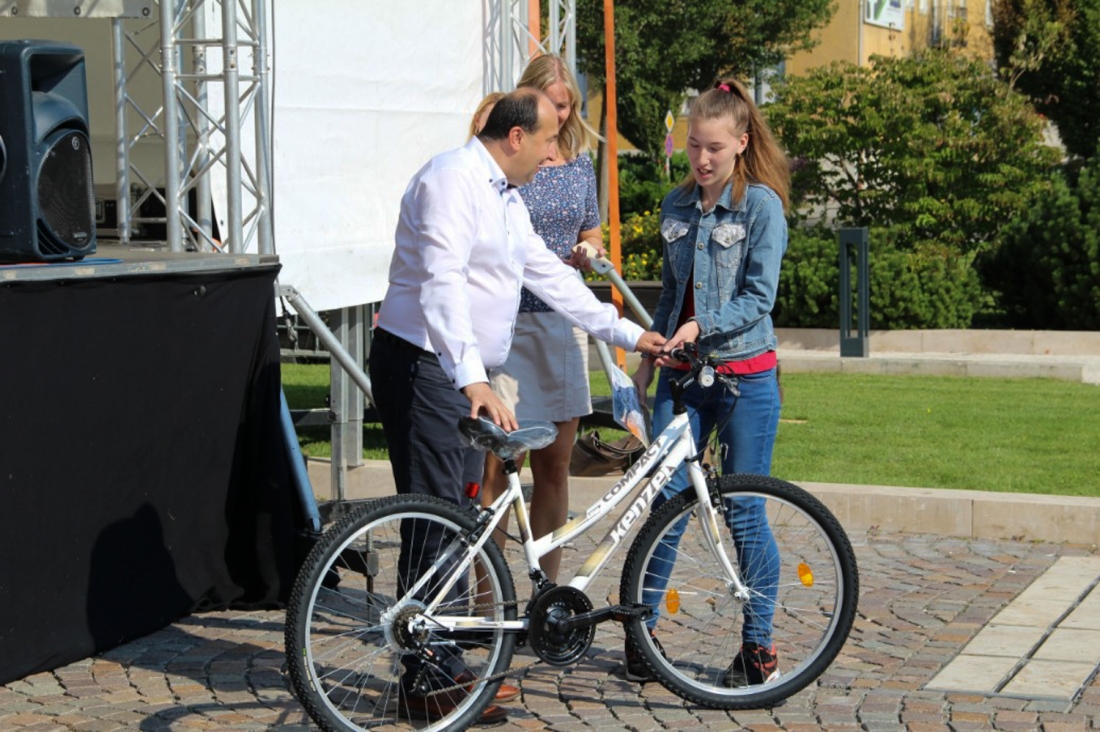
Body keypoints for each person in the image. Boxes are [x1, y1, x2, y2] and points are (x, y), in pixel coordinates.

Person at [369, 87, 665, 724]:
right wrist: (473, 380)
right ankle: (428, 678)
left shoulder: (505, 196)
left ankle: (440, 667)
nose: (553, 153)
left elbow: (553, 277)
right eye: (548, 139)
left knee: (454, 513)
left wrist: (628, 334)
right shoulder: (452, 180)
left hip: (452, 369)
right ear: (515, 137)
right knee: (436, 515)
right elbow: (442, 283)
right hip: (424, 363)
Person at [627, 78, 789, 688]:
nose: (701, 158)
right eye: (694, 145)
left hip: (745, 377)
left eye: (714, 148)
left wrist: (701, 325)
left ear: (741, 143)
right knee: (666, 504)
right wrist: (650, 355)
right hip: (682, 376)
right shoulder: (675, 204)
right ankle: (643, 634)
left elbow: (759, 297)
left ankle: (758, 648)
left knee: (744, 511)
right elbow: (672, 293)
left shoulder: (761, 207)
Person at [478, 55, 605, 583]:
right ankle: (487, 596)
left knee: (555, 464)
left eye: (568, 105)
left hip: (562, 321)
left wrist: (588, 249)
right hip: (508, 326)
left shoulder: (579, 165)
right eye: (554, 104)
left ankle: (546, 593)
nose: (562, 114)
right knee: (500, 466)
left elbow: (593, 231)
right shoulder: (509, 154)